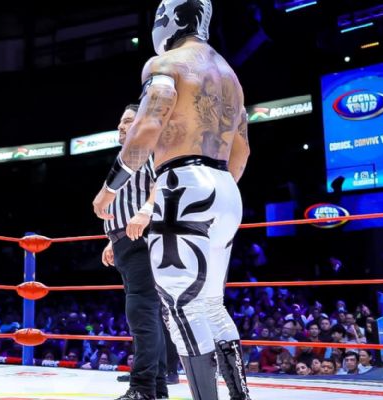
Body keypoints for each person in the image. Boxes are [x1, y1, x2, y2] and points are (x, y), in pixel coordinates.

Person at [92, 1, 252, 399]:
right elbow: (242, 150)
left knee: (182, 304)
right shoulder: (230, 76)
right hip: (226, 187)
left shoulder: (165, 64)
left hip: (183, 183)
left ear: (173, 18)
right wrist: (213, 189)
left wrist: (111, 187)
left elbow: (149, 123)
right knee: (212, 304)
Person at [99, 104, 168, 400]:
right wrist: (112, 239)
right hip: (126, 241)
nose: (121, 126)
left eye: (128, 121)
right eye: (120, 121)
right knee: (146, 313)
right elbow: (124, 200)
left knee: (142, 312)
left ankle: (142, 388)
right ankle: (157, 386)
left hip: (142, 240)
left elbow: (162, 180)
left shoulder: (146, 148)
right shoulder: (127, 157)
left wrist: (146, 211)